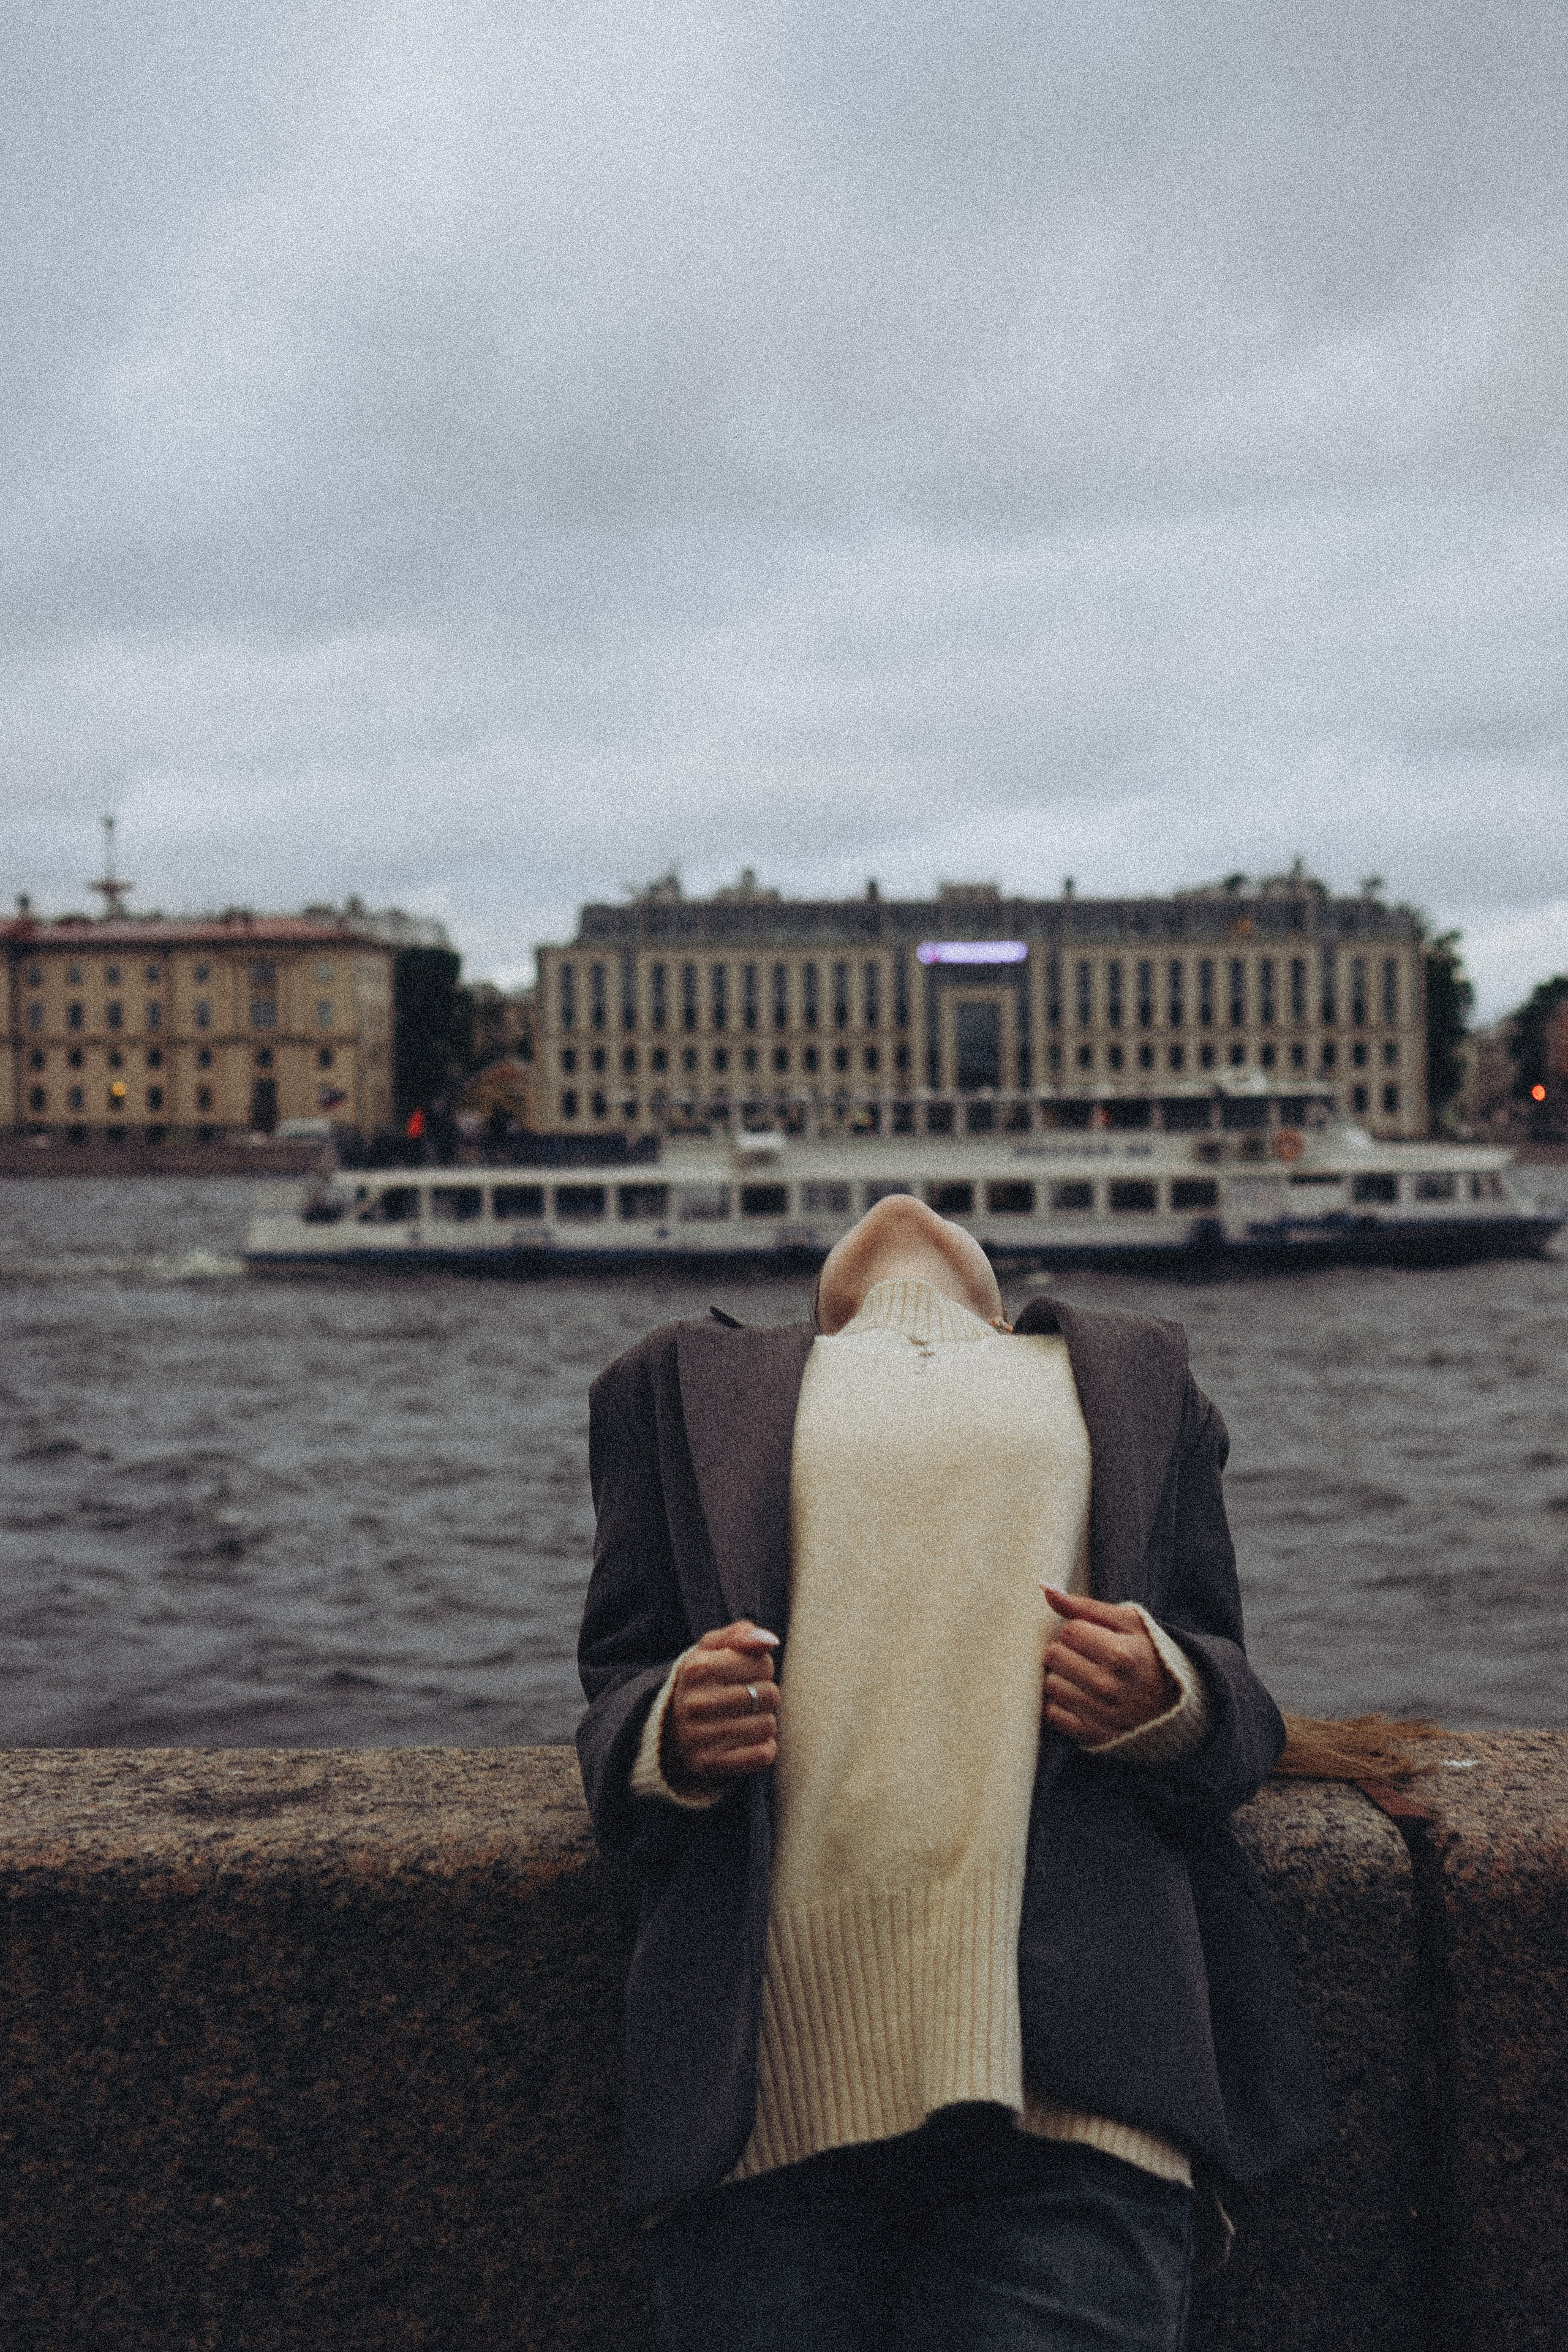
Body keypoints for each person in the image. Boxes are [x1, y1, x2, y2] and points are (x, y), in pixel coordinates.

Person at [577, 1196, 1328, 2351]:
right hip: (763, 2101)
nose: (900, 1204)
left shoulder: (1134, 1373)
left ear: (1002, 1309)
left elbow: (1234, 1696)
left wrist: (1170, 1693)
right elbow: (615, 1683)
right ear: (817, 1320)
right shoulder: (673, 1381)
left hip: (1079, 2092)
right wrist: (667, 1729)